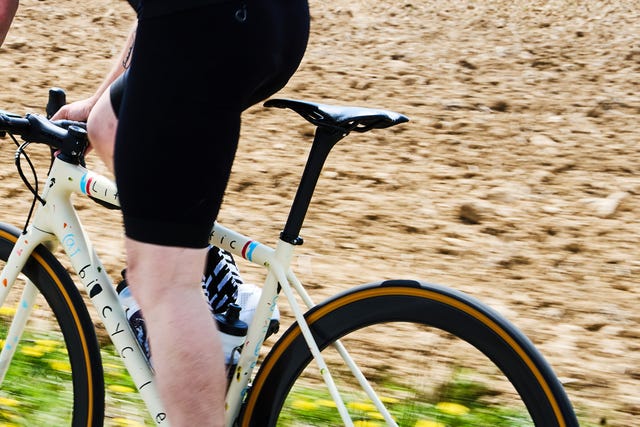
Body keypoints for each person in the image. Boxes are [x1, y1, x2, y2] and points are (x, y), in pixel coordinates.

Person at [2, 1, 310, 426]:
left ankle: (195, 308)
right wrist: (95, 103)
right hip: (276, 20)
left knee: (161, 283)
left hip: (207, 24)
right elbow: (155, 17)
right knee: (107, 124)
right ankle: (212, 286)